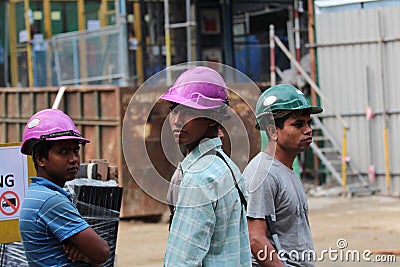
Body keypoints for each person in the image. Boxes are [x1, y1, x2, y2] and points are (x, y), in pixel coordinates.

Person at [162, 66, 251, 266]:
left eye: (187, 112)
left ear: (213, 118)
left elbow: (182, 260)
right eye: (174, 111)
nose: (176, 121)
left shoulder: (199, 178)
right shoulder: (226, 165)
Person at [244, 84, 323, 267]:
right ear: (273, 131)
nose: (308, 130)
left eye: (308, 123)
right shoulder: (263, 174)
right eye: (298, 124)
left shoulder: (284, 169)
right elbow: (255, 239)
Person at [19, 109, 110, 266]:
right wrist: (90, 256)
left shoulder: (39, 194)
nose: (74, 159)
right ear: (41, 159)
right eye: (63, 152)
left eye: (75, 150)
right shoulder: (50, 200)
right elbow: (102, 252)